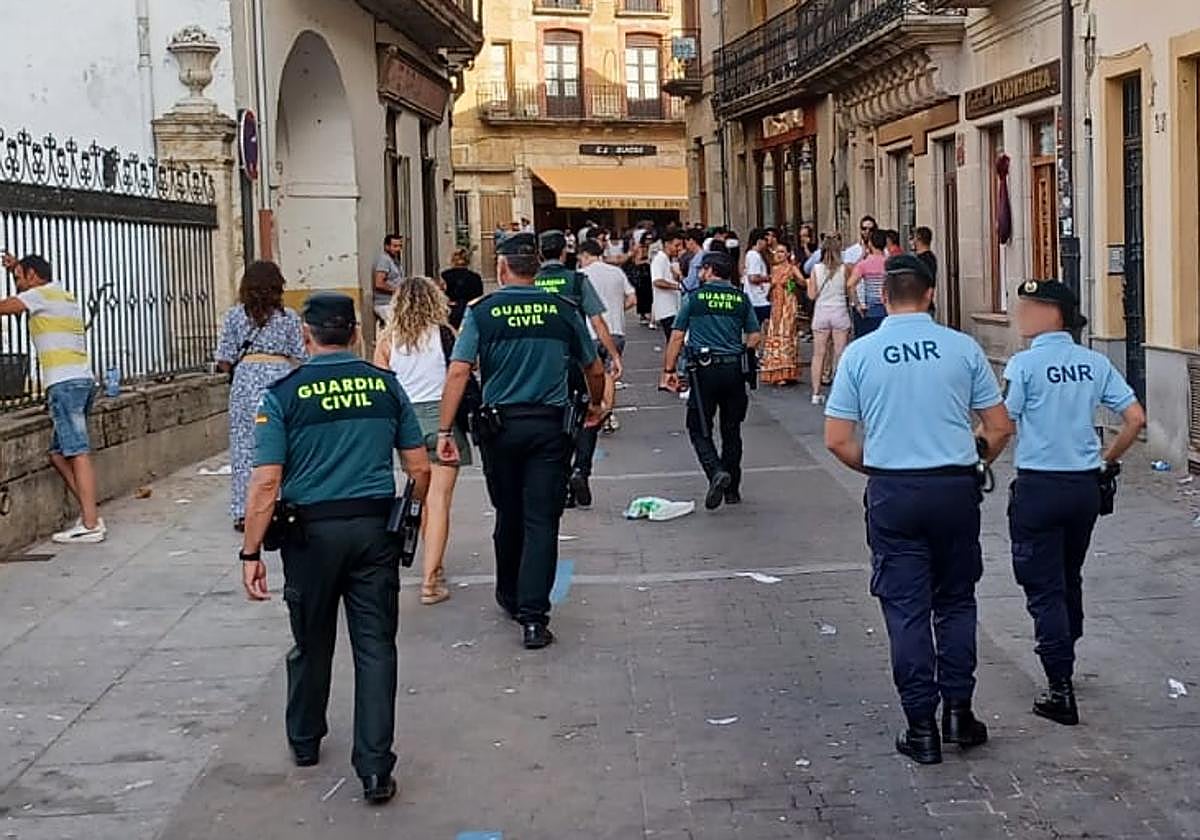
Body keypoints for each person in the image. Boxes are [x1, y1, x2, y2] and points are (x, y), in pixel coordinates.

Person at [239, 292, 431, 805]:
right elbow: (420, 468)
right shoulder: (384, 387)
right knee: (375, 648)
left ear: (307, 334)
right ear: (353, 333)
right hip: (373, 531)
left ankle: (305, 739)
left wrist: (251, 552)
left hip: (310, 538)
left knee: (311, 640)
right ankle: (374, 770)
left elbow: (265, 482)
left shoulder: (285, 393)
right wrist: (409, 519)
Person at [823, 254, 1013, 766]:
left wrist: (882, 469)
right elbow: (998, 427)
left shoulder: (861, 355)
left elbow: (837, 439)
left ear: (883, 297)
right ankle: (959, 711)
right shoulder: (962, 348)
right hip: (953, 489)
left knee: (906, 609)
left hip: (894, 491)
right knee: (955, 601)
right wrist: (975, 462)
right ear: (931, 295)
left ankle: (920, 727)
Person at [437, 233, 606, 649]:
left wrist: (443, 431)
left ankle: (509, 594)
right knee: (542, 519)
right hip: (549, 428)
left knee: (508, 513)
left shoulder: (483, 312)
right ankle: (534, 618)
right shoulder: (562, 310)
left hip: (501, 428)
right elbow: (593, 366)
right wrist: (595, 405)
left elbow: (459, 372)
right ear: (536, 268)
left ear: (501, 268)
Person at [1003, 279, 1145, 726]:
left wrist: (977, 461)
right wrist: (1107, 458)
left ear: (1054, 313)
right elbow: (1135, 418)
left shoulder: (1023, 366)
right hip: (1083, 488)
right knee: (1068, 574)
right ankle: (1068, 647)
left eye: (1029, 307)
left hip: (1040, 488)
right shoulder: (1092, 363)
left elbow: (1004, 424)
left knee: (1043, 585)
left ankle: (1059, 687)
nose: (1020, 314)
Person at [373, 277, 473, 606]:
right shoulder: (446, 334)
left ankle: (433, 564)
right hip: (443, 419)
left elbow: (381, 387)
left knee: (422, 497)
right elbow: (459, 375)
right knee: (439, 502)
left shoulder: (388, 340)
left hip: (407, 426)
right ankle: (431, 581)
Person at [0, 253, 105, 543]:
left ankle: (91, 523)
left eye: (19, 277)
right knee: (58, 453)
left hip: (65, 384)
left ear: (32, 275)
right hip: (82, 380)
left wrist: (19, 281)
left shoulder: (40, 295)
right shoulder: (61, 294)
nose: (17, 284)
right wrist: (14, 266)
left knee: (77, 452)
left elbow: (5, 307)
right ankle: (90, 513)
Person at [663, 252, 761, 511]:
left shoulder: (694, 299)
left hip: (703, 372)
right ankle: (732, 491)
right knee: (732, 430)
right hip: (733, 370)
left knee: (698, 427)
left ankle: (715, 471)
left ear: (708, 270)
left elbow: (677, 335)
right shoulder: (740, 299)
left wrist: (669, 369)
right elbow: (754, 335)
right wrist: (738, 350)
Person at [214, 261, 305, 532]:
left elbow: (224, 358)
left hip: (246, 380)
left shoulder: (234, 317)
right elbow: (300, 354)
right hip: (280, 379)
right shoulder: (289, 317)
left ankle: (245, 511)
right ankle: (279, 503)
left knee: (244, 447)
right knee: (282, 443)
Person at [575, 239, 636, 487]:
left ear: (585, 255)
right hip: (617, 330)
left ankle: (597, 407)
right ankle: (608, 414)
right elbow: (632, 299)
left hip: (589, 332)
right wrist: (616, 310)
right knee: (610, 374)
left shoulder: (580, 276)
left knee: (593, 373)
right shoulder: (616, 272)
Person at [534, 231, 623, 382]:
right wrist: (614, 355)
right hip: (573, 355)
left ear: (540, 254)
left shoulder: (532, 281)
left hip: (540, 355)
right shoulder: (577, 280)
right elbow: (597, 322)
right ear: (564, 252)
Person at [807, 236, 852, 406]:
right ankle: (839, 393)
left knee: (819, 354)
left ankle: (816, 393)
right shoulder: (844, 269)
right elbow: (849, 292)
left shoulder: (816, 269)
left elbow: (811, 295)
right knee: (840, 354)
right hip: (839, 311)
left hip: (821, 313)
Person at [760, 242, 802, 386]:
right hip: (776, 304)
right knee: (774, 333)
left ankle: (787, 371)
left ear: (788, 254)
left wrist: (789, 283)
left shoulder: (792, 268)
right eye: (777, 252)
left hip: (788, 304)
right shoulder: (774, 269)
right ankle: (775, 371)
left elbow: (801, 283)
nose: (778, 255)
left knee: (787, 334)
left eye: (782, 252)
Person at [847, 229, 888, 336]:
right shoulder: (890, 263)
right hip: (888, 310)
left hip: (870, 310)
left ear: (870, 244)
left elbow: (850, 285)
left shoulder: (864, 264)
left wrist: (858, 305)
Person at [441, 248, 484, 329]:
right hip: (470, 311)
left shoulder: (445, 276)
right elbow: (479, 297)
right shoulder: (475, 277)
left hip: (451, 311)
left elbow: (441, 295)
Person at [372, 234, 406, 323]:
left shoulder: (395, 261)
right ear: (386, 246)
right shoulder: (384, 260)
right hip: (384, 304)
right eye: (395, 246)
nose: (398, 249)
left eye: (400, 246)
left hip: (393, 303)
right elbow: (379, 283)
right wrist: (397, 290)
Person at [743, 228, 771, 327]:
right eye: (765, 240)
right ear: (759, 241)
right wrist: (769, 278)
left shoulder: (754, 255)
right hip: (758, 299)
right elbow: (753, 278)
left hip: (760, 298)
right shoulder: (754, 256)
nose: (767, 244)